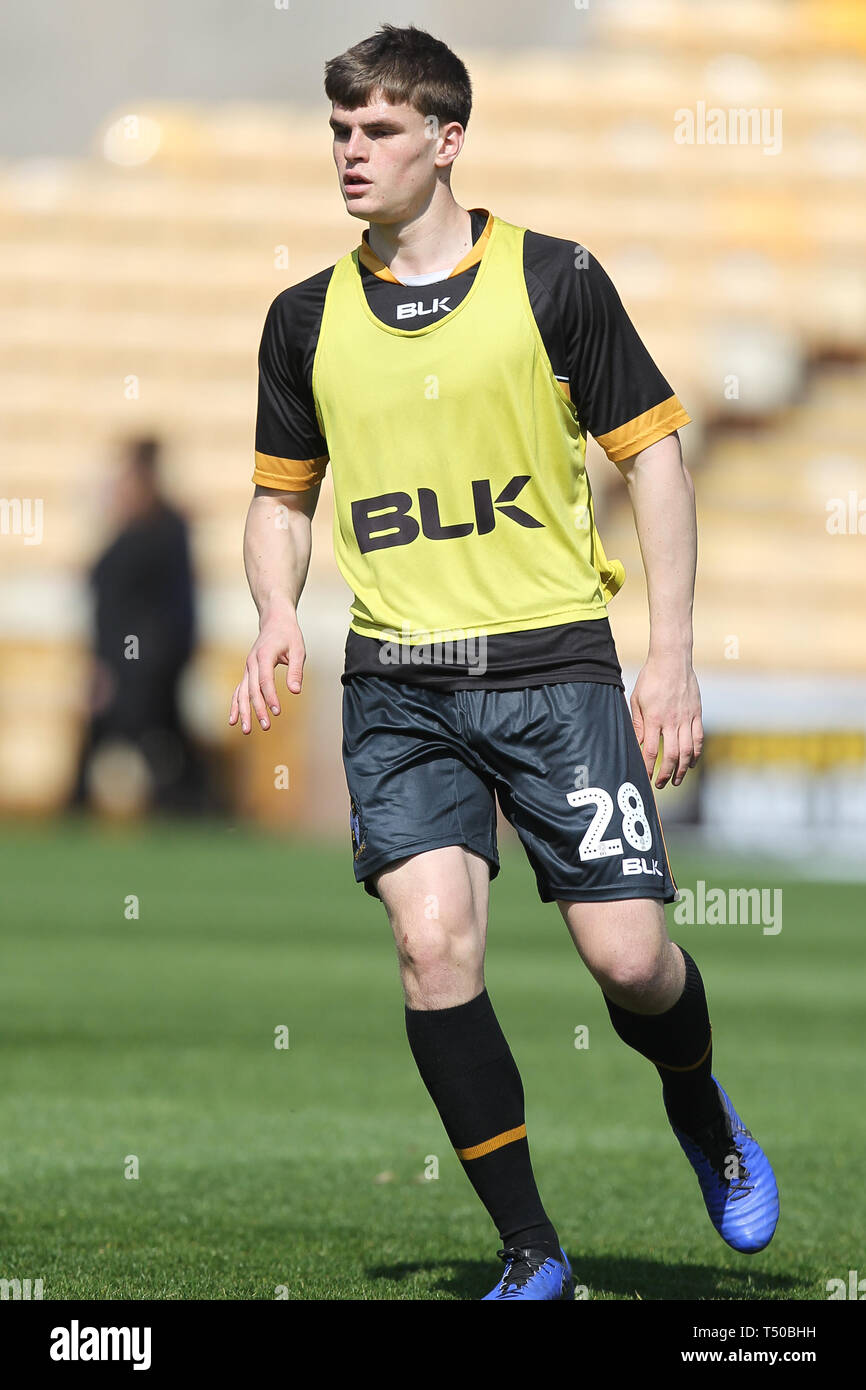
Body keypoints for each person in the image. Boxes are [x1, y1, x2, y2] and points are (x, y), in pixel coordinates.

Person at [230, 23, 779, 1300]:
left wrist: (671, 657)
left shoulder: (552, 280)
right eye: (338, 131)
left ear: (446, 139)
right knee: (432, 949)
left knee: (630, 962)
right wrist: (272, 606)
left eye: (376, 131)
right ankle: (531, 1250)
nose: (350, 153)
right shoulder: (302, 316)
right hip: (398, 685)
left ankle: (700, 1114)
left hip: (554, 672)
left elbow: (653, 456)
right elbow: (279, 496)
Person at [73, 436, 201, 814]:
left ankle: (182, 806)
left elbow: (172, 606)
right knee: (137, 738)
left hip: (146, 664)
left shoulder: (162, 530)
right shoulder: (136, 531)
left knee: (155, 740)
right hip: (132, 660)